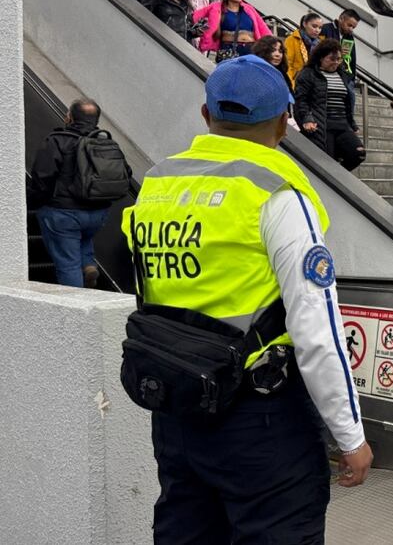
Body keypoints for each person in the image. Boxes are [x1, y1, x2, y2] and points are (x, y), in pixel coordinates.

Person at [120, 55, 373, 542]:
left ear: (205, 115)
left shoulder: (157, 183)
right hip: (260, 420)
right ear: (285, 120)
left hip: (175, 407)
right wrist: (351, 436)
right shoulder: (277, 194)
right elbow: (317, 332)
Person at [27, 99, 124, 288]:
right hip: (98, 214)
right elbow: (124, 174)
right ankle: (87, 265)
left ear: (69, 117)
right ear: (96, 120)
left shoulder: (57, 140)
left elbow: (43, 178)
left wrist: (32, 203)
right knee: (83, 236)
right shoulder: (106, 143)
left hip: (64, 214)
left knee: (67, 264)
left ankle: (76, 302)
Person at [293, 38, 365, 171]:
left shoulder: (342, 75)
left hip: (343, 124)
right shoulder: (308, 74)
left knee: (358, 154)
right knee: (326, 162)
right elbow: (301, 100)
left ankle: (339, 175)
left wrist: (352, 124)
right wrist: (307, 119)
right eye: (332, 59)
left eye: (339, 59)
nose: (336, 62)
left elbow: (347, 102)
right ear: (321, 57)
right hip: (322, 125)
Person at [192, 0, 272, 60]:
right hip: (228, 49)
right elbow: (195, 16)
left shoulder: (249, 9)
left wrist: (272, 44)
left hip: (250, 49)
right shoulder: (217, 7)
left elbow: (262, 27)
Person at [284, 12, 323, 88]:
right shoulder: (292, 40)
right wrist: (292, 84)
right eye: (314, 26)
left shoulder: (320, 44)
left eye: (320, 28)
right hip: (295, 83)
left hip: (312, 85)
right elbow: (287, 65)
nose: (317, 30)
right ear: (305, 24)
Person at [319, 9, 361, 78]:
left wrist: (352, 77)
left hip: (343, 75)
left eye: (353, 27)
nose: (351, 29)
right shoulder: (325, 29)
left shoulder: (349, 37)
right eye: (349, 25)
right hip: (325, 73)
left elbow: (353, 58)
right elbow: (318, 51)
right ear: (341, 19)